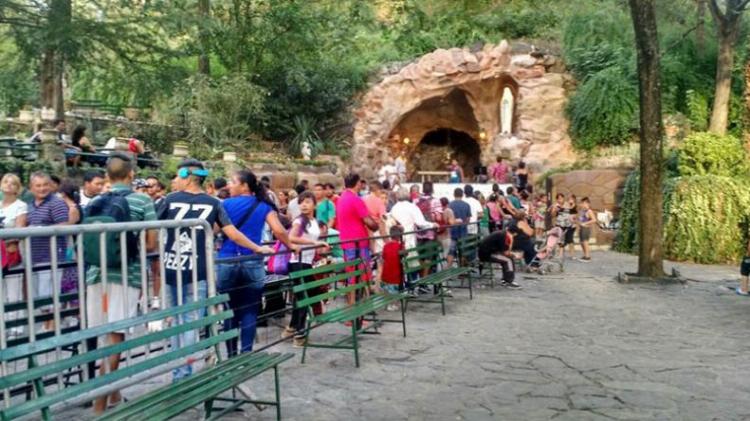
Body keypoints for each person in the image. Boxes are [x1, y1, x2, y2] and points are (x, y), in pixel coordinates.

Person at [158, 159, 272, 381]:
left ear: (186, 176)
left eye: (178, 176)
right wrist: (258, 247)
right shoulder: (214, 203)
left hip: (171, 269)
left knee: (174, 322)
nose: (175, 181)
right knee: (191, 323)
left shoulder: (168, 200)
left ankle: (177, 373)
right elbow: (233, 233)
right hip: (198, 271)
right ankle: (184, 373)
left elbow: (150, 231)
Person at [83, 153, 157, 413]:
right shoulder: (142, 200)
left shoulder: (95, 201)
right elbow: (150, 243)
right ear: (131, 175)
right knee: (117, 337)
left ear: (106, 177)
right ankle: (99, 406)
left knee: (105, 335)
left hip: (94, 275)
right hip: (127, 275)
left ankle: (113, 395)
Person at [218, 170, 295, 356]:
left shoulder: (225, 204)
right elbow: (278, 230)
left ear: (244, 185)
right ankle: (246, 352)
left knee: (230, 310)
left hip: (228, 259)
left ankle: (231, 355)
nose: (229, 185)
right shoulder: (263, 205)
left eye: (232, 181)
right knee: (250, 309)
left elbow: (213, 229)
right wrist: (291, 246)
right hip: (253, 260)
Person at [285, 191, 330, 346]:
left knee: (302, 296)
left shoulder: (314, 222)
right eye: (301, 202)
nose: (304, 205)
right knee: (304, 297)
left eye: (307, 202)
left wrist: (319, 249)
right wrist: (315, 244)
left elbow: (312, 238)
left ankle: (292, 327)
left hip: (307, 261)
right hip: (297, 262)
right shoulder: (300, 220)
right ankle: (299, 333)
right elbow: (291, 237)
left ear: (314, 204)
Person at [336, 173, 379, 306]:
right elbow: (369, 222)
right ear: (358, 183)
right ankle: (360, 308)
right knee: (363, 274)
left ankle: (353, 306)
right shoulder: (356, 200)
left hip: (346, 241)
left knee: (351, 276)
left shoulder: (341, 198)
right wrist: (377, 225)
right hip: (358, 243)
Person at [27, 172, 69, 301]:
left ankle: (52, 321)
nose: (42, 188)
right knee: (38, 297)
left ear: (51, 186)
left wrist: (40, 229)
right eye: (38, 185)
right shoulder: (30, 205)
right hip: (34, 257)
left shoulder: (56, 203)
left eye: (45, 185)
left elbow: (64, 227)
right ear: (31, 187)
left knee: (49, 297)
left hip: (52, 257)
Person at [1, 174, 28, 325]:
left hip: (11, 253)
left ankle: (15, 327)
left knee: (14, 292)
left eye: (13, 183)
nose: (8, 185)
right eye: (5, 182)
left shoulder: (20, 205)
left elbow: (19, 230)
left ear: (17, 188)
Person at [380, 225, 404, 311]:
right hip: (395, 273)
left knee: (387, 289)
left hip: (386, 272)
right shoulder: (400, 246)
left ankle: (388, 304)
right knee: (394, 290)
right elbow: (404, 254)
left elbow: (383, 257)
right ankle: (393, 304)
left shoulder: (386, 246)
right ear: (399, 236)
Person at [447, 188, 470, 268]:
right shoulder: (466, 205)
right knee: (462, 252)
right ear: (462, 195)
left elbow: (447, 219)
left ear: (454, 194)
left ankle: (448, 268)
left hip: (453, 232)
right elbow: (467, 220)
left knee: (451, 251)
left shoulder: (450, 205)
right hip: (463, 231)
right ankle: (462, 270)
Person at [550, 193, 575, 258]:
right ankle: (560, 254)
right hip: (559, 224)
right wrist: (554, 209)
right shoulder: (555, 205)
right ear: (557, 199)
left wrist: (563, 207)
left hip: (568, 224)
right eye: (558, 199)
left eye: (561, 198)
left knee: (570, 240)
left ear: (563, 198)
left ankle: (572, 255)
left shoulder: (568, 204)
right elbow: (553, 215)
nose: (560, 200)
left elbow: (573, 211)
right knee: (560, 239)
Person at [578, 197, 596, 262]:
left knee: (585, 242)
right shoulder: (582, 211)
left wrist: (585, 223)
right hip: (581, 228)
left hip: (586, 228)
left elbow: (594, 220)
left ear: (588, 204)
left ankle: (587, 257)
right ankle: (585, 255)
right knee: (581, 242)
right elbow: (580, 219)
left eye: (584, 203)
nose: (583, 204)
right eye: (582, 203)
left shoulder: (589, 211)